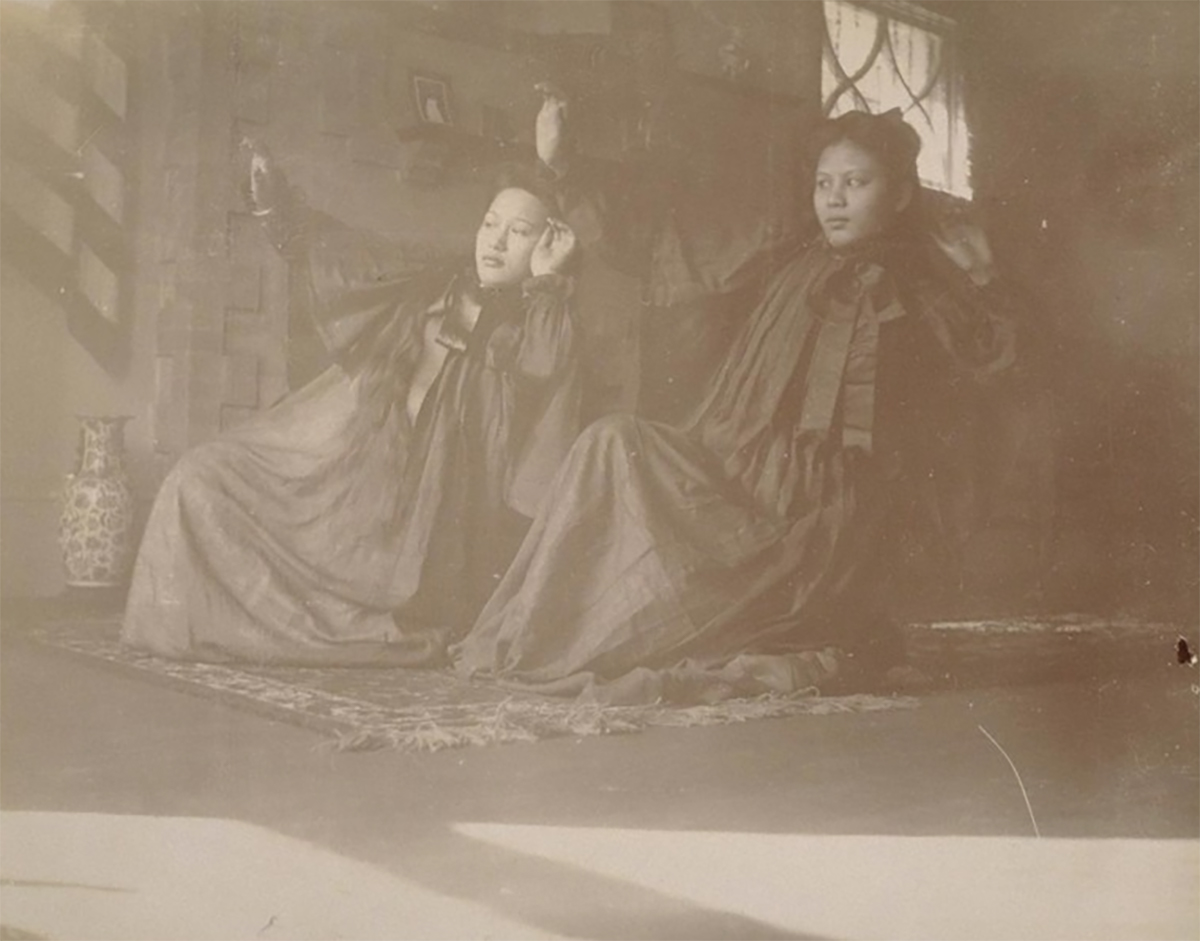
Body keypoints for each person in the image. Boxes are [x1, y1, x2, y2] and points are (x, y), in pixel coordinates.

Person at [453, 106, 1025, 703]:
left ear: (901, 195)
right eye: (824, 184)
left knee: (672, 610)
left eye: (856, 183)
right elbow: (677, 259)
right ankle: (538, 637)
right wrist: (563, 170)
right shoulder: (794, 260)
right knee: (611, 440)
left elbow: (995, 371)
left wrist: (983, 274)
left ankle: (614, 636)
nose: (834, 200)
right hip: (737, 475)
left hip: (818, 519)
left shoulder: (921, 281)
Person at [121, 141, 580, 666]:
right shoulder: (435, 277)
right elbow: (345, 259)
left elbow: (541, 370)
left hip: (413, 520)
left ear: (547, 245)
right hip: (351, 460)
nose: (495, 242)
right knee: (200, 476)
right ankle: (196, 623)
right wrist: (276, 208)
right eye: (489, 223)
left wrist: (547, 282)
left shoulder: (543, 323)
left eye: (519, 232)